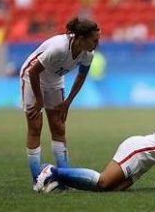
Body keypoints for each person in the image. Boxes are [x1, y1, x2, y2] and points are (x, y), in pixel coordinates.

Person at [36, 95, 155, 192]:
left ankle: (57, 180)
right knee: (102, 182)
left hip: (143, 162)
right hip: (137, 152)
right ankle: (51, 171)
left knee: (109, 190)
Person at [20, 17, 100, 191]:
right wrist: (39, 100)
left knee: (58, 127)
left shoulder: (88, 54)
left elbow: (81, 76)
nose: (97, 43)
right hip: (32, 76)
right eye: (94, 39)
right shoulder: (58, 48)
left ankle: (65, 180)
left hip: (55, 80)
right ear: (80, 38)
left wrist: (68, 102)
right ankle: (37, 180)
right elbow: (34, 71)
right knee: (35, 126)